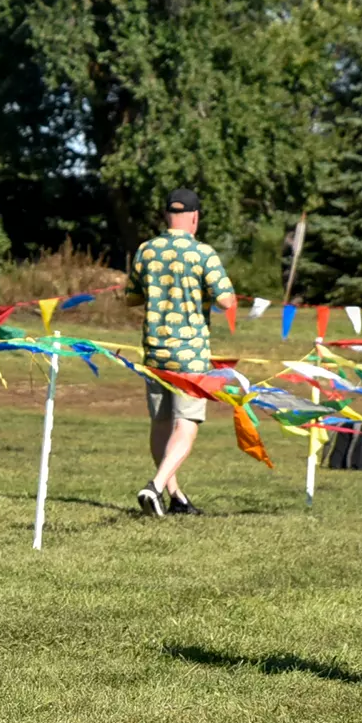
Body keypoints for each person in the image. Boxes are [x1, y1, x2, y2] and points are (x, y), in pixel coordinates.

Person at [125, 188, 235, 516]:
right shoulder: (203, 253)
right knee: (186, 423)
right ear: (195, 218)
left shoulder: (145, 251)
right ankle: (156, 487)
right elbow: (227, 300)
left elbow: (131, 298)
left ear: (165, 216)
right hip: (191, 356)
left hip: (154, 353)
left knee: (160, 423)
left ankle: (176, 498)